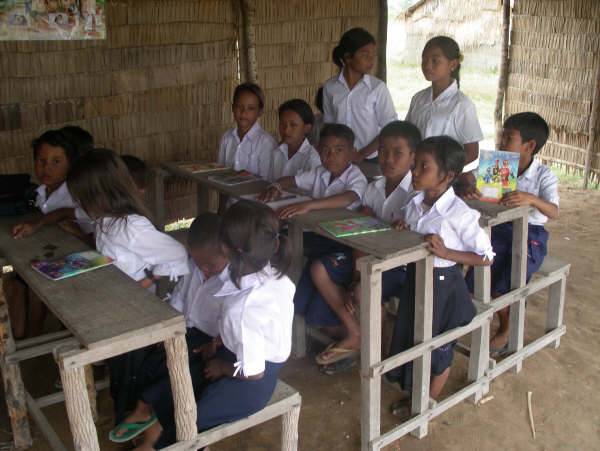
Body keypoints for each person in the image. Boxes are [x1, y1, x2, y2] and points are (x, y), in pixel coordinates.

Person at [108, 201, 295, 449]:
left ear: (227, 250)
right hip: (239, 357)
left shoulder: (240, 307)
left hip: (252, 380)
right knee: (184, 379)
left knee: (190, 415)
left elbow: (254, 371)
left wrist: (222, 367)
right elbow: (257, 330)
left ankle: (157, 444)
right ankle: (156, 427)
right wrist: (218, 344)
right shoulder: (275, 275)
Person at [66, 148, 190, 422]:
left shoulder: (130, 227)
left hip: (136, 312)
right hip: (118, 304)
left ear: (101, 195)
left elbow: (178, 256)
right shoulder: (104, 221)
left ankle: (135, 416)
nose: (79, 205)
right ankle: (130, 410)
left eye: (82, 198)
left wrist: (149, 280)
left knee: (130, 369)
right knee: (122, 368)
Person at [387, 136, 494, 407]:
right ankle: (416, 392)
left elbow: (486, 256)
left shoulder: (459, 213)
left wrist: (448, 254)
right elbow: (416, 232)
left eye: (424, 167)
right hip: (416, 279)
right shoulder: (415, 202)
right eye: (415, 165)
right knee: (415, 335)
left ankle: (428, 400)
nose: (415, 172)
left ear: (447, 175)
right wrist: (404, 227)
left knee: (437, 342)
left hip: (444, 286)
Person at [307, 121, 422, 368]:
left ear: (413, 157)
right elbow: (362, 233)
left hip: (400, 266)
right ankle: (355, 334)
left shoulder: (416, 195)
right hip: (365, 258)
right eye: (382, 151)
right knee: (318, 268)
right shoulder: (373, 188)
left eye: (397, 153)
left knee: (363, 291)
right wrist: (358, 273)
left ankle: (373, 356)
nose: (388, 159)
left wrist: (359, 278)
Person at [467, 112, 559, 353]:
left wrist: (531, 199)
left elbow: (554, 211)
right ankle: (487, 321)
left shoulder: (543, 176)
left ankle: (506, 329)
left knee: (504, 286)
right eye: (502, 135)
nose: (501, 142)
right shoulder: (498, 166)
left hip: (531, 236)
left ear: (529, 146)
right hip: (498, 231)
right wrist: (469, 187)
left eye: (509, 137)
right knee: (477, 279)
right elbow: (469, 177)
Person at [9, 129, 92, 337]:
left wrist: (75, 231)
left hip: (77, 263)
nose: (46, 168)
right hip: (49, 257)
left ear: (70, 164)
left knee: (35, 289)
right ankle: (21, 338)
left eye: (57, 162)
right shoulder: (39, 193)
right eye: (41, 160)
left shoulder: (76, 196)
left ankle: (33, 339)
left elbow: (95, 239)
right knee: (18, 281)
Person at [405, 36, 483, 194]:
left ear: (452, 64)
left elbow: (472, 151)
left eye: (435, 60)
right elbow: (408, 136)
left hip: (441, 184)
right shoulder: (418, 99)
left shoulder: (462, 105)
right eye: (424, 60)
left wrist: (443, 173)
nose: (427, 65)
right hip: (415, 176)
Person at [260, 123, 367, 219]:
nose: (331, 156)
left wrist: (308, 205)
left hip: (342, 234)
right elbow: (291, 180)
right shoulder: (319, 171)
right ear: (318, 151)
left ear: (352, 153)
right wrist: (276, 186)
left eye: (338, 150)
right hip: (316, 225)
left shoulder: (357, 177)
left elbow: (346, 199)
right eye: (325, 150)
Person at [322, 27, 397, 161]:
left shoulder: (377, 88)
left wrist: (361, 154)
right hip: (339, 159)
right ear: (348, 57)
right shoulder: (330, 88)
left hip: (371, 159)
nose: (371, 60)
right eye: (365, 54)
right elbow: (329, 125)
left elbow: (389, 128)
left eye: (373, 55)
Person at [217, 83, 277, 179]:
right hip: (227, 193)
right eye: (239, 106)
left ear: (260, 112)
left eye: (251, 108)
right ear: (232, 108)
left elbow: (268, 181)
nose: (244, 112)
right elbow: (219, 172)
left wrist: (248, 176)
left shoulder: (266, 143)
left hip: (256, 194)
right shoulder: (227, 138)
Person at [259, 98, 321, 182]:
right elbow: (268, 182)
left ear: (307, 128)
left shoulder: (312, 158)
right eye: (282, 124)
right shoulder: (276, 152)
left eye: (293, 125)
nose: (286, 130)